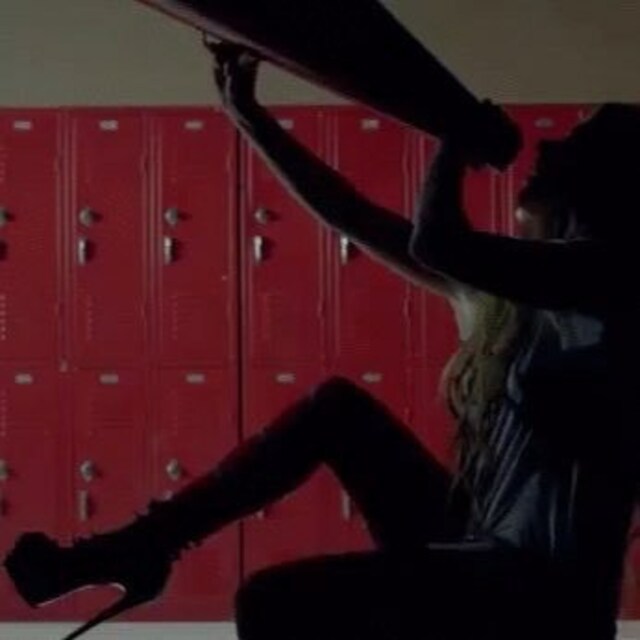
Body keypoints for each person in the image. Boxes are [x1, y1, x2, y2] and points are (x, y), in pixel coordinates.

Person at [2, 44, 629, 640]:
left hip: (539, 595)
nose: (549, 145)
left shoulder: (612, 276)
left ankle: (140, 549)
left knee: (275, 602)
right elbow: (350, 214)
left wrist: (453, 135)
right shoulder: (503, 298)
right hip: (480, 548)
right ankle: (143, 545)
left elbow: (438, 242)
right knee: (338, 411)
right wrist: (249, 116)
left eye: (578, 142)